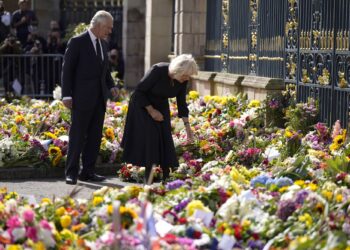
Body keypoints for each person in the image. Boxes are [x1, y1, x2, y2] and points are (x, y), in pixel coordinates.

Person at [61, 10, 119, 185]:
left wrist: (112, 85)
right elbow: (67, 70)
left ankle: (88, 172)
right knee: (77, 137)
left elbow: (105, 71)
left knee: (94, 138)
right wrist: (66, 95)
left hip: (99, 99)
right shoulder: (77, 42)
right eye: (108, 28)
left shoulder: (103, 44)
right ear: (99, 25)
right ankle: (71, 172)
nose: (110, 31)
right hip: (80, 99)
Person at [121, 54, 198, 184]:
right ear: (178, 70)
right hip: (142, 105)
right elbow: (138, 92)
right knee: (151, 138)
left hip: (161, 106)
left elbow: (181, 103)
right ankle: (148, 179)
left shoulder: (183, 80)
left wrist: (188, 128)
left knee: (165, 138)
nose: (187, 78)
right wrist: (151, 111)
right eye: (186, 75)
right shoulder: (158, 70)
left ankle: (167, 178)